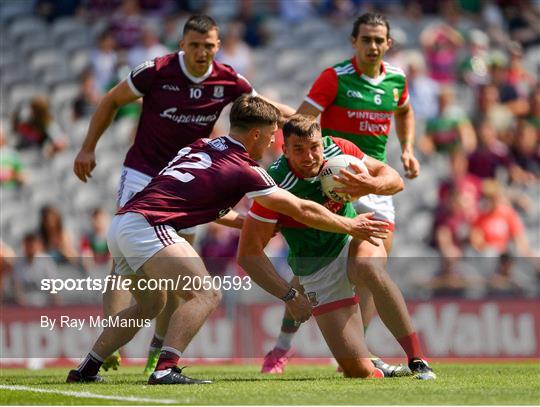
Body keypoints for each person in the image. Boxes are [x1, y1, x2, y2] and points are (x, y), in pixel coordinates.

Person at [66, 95, 389, 385]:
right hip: (150, 226)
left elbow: (203, 205)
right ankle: (166, 368)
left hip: (123, 223)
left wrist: (250, 222)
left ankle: (86, 369)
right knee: (205, 293)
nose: (274, 141)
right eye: (273, 135)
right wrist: (348, 224)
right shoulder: (246, 168)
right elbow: (301, 207)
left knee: (152, 303)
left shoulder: (201, 146)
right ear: (256, 135)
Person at [73, 15, 295, 373]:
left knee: (179, 270)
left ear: (218, 47)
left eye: (208, 46)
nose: (201, 52)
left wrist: (305, 123)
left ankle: (157, 351)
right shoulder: (156, 71)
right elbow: (111, 100)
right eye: (194, 45)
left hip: (189, 181)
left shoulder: (229, 80)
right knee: (125, 264)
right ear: (182, 45)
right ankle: (112, 345)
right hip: (144, 173)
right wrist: (87, 148)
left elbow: (266, 112)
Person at [262, 12, 422, 374]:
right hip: (331, 176)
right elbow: (301, 123)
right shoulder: (334, 78)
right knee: (309, 270)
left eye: (379, 40)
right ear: (354, 42)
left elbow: (406, 111)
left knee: (372, 270)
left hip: (373, 181)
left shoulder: (397, 79)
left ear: (389, 43)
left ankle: (358, 351)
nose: (373, 46)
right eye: (366, 39)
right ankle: (283, 344)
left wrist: (408, 148)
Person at [239, 115, 435, 379]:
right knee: (357, 371)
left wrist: (371, 184)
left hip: (352, 240)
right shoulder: (273, 185)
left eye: (314, 147)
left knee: (368, 267)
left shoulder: (338, 149)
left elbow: (395, 180)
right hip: (317, 271)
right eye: (299, 150)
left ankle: (417, 359)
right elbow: (248, 254)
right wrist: (289, 295)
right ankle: (375, 367)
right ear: (284, 150)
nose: (309, 156)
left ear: (322, 143)